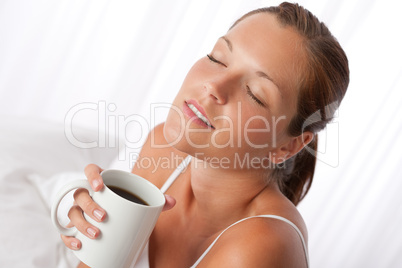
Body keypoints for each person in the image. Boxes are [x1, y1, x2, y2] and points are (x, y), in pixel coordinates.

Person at [61, 2, 349, 267]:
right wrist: (94, 235)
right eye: (218, 58)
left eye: (255, 94)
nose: (214, 84)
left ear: (288, 146)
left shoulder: (261, 247)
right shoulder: (162, 149)